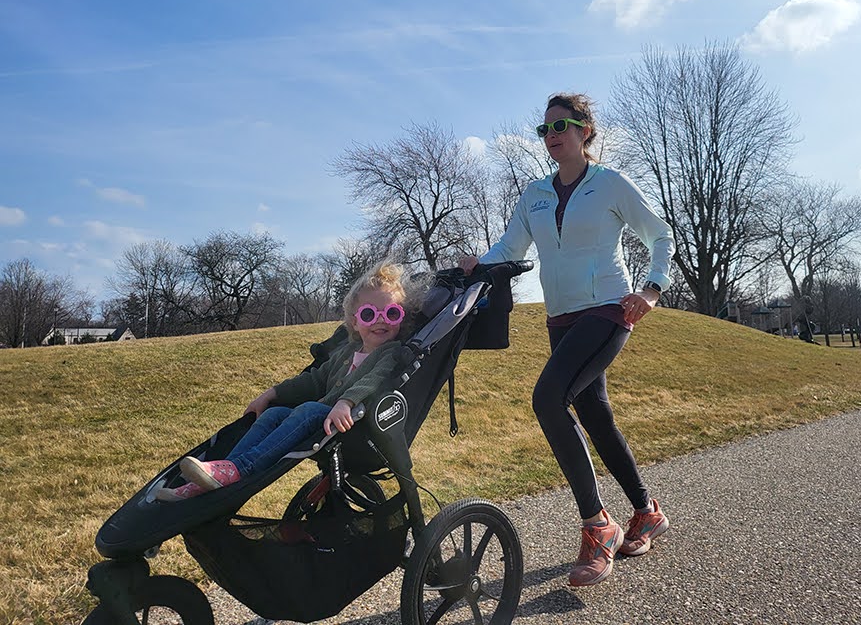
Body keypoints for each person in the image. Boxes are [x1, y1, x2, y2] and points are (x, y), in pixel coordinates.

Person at [459, 92, 675, 587]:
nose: (552, 135)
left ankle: (598, 525)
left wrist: (652, 289)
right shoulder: (534, 192)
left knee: (549, 399)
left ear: (586, 131)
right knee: (594, 412)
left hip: (608, 308)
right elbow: (510, 246)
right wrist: (480, 265)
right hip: (560, 319)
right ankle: (646, 511)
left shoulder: (611, 184)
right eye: (546, 129)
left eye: (562, 126)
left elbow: (660, 234)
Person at [156, 261, 413, 502]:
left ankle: (241, 468)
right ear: (355, 322)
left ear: (401, 317)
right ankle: (222, 471)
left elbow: (376, 380)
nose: (381, 320)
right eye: (369, 314)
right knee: (276, 412)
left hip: (352, 426)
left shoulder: (390, 353)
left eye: (391, 313)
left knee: (309, 409)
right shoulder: (346, 352)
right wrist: (271, 393)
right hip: (322, 420)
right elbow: (314, 380)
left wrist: (347, 401)